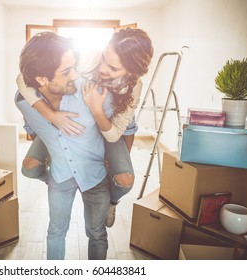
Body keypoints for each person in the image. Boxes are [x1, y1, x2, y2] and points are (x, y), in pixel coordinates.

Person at [17, 28, 154, 227]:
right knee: (29, 168)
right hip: (70, 121)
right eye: (104, 59)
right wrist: (52, 116)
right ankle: (60, 181)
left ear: (133, 72)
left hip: (108, 127)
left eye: (114, 69)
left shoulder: (134, 87)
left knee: (124, 180)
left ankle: (111, 202)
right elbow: (23, 78)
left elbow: (115, 133)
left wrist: (97, 110)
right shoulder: (87, 58)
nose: (103, 69)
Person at [15, 32, 119, 260]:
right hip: (60, 177)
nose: (75, 75)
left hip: (95, 176)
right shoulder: (23, 102)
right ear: (41, 79)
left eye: (74, 66)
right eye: (66, 71)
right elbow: (31, 126)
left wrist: (116, 165)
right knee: (55, 231)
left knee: (97, 233)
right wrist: (50, 121)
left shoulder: (94, 92)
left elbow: (122, 130)